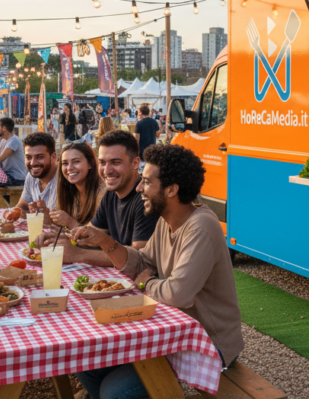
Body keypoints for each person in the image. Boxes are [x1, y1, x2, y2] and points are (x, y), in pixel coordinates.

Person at [72, 144, 242, 398]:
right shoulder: (167, 219)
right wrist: (106, 243)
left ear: (172, 189)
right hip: (171, 331)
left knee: (114, 391)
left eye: (147, 182)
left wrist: (146, 283)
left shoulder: (201, 227)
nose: (139, 188)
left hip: (206, 342)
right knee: (88, 363)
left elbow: (177, 294)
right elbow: (142, 262)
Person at [44, 131, 158, 266]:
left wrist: (78, 254)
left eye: (115, 162)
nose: (107, 170)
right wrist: (55, 238)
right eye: (102, 162)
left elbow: (139, 257)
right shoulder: (111, 193)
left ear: (135, 163)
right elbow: (88, 235)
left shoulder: (145, 198)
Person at [50, 141, 105, 231]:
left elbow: (99, 236)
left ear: (90, 164)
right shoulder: (70, 191)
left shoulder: (103, 193)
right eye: (65, 163)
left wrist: (70, 223)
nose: (70, 168)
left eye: (76, 161)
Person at [4, 132, 58, 218]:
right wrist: (15, 212)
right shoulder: (31, 176)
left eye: (40, 157)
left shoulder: (65, 177)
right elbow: (22, 205)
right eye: (28, 157)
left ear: (53, 157)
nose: (33, 163)